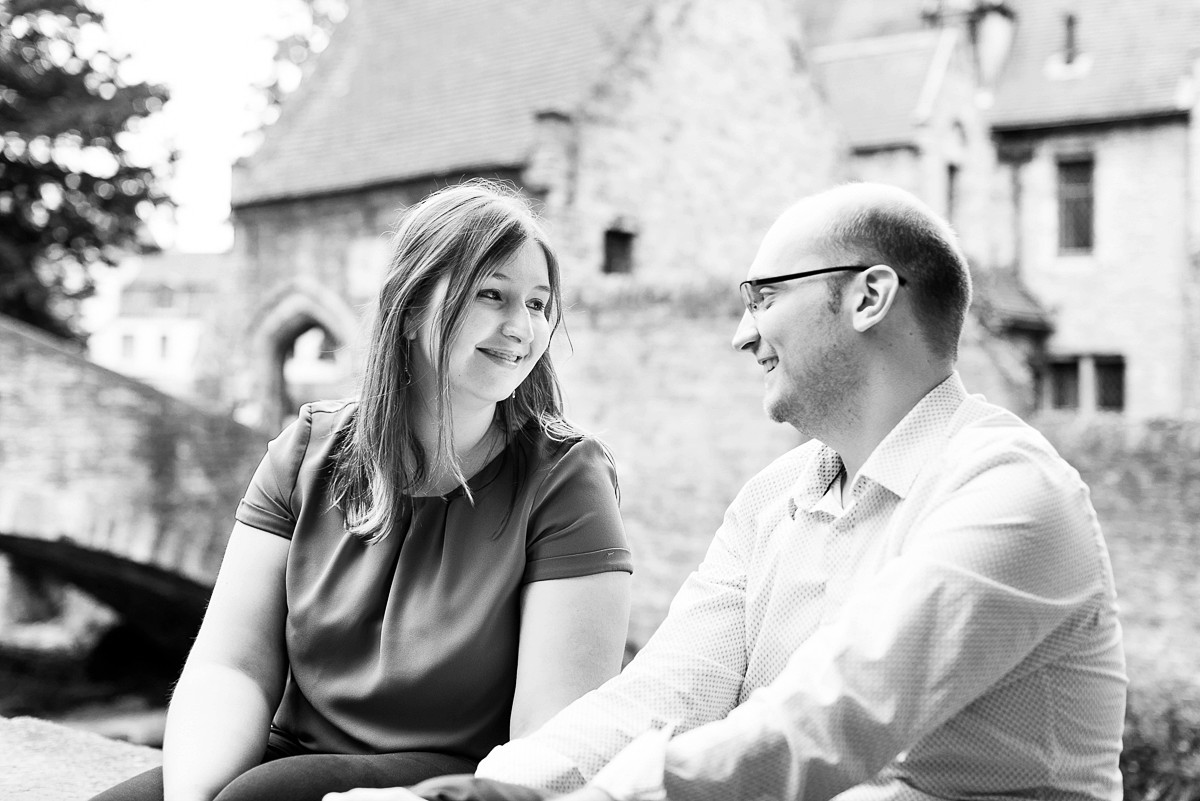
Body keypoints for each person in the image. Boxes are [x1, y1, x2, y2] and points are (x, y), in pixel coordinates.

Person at [329, 182, 1127, 801]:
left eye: (765, 296)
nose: (741, 333)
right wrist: (487, 787)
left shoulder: (1010, 493)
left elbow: (830, 721)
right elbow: (663, 693)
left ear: (869, 297)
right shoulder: (772, 498)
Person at [91, 181, 633, 801]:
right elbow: (229, 665)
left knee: (264, 796)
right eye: (492, 295)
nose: (521, 328)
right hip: (290, 755)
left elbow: (553, 736)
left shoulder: (565, 478)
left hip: (458, 778)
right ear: (409, 310)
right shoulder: (307, 451)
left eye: (538, 305)